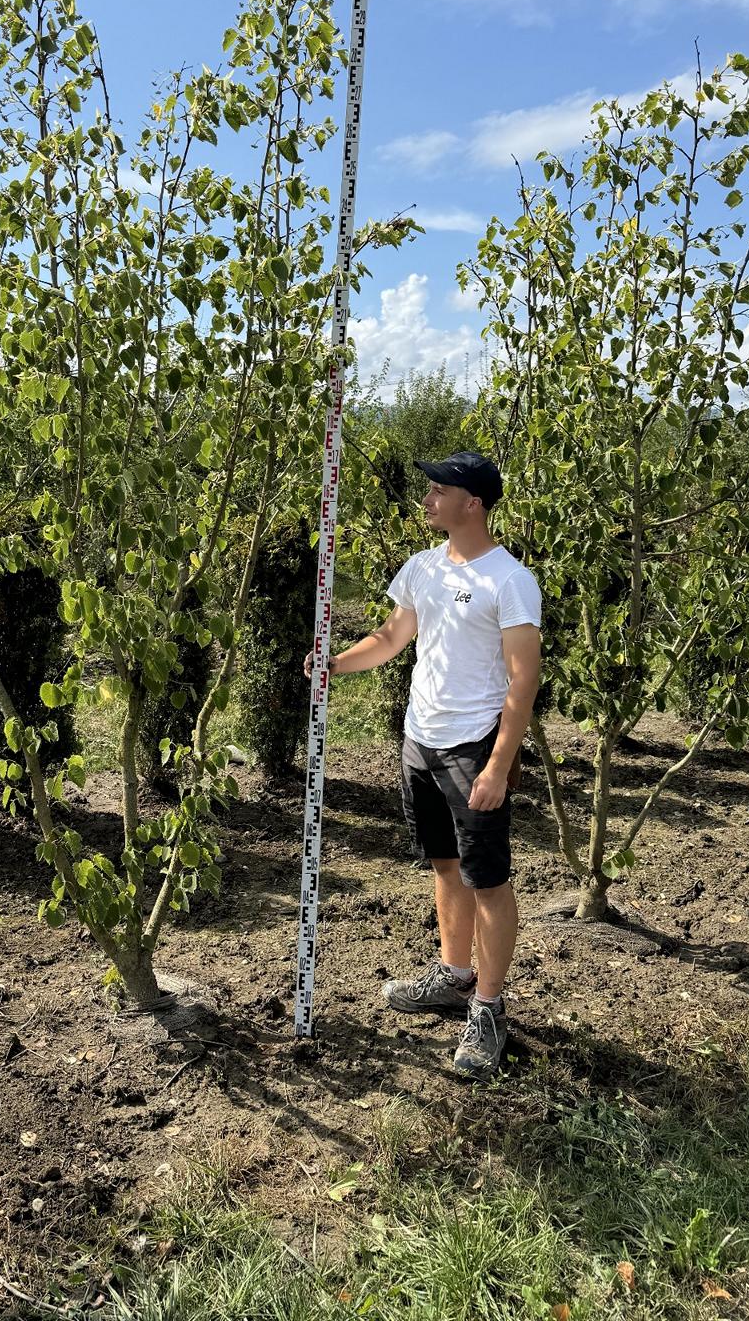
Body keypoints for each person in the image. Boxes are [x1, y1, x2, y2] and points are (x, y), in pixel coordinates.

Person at [304, 450, 541, 1077]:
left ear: (475, 503)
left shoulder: (509, 580)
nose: (429, 499)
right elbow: (390, 638)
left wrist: (498, 766)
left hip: (472, 748)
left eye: (441, 490)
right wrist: (334, 664)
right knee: (444, 864)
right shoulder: (422, 569)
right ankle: (454, 974)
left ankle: (488, 1010)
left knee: (487, 878)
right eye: (430, 489)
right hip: (420, 740)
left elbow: (523, 684)